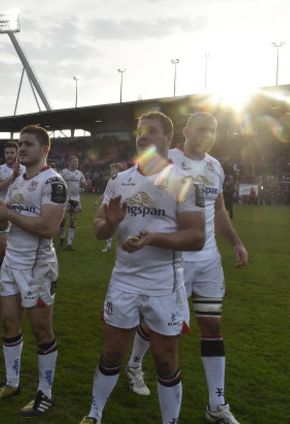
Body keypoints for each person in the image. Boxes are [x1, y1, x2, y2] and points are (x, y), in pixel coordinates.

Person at [79, 111, 206, 424]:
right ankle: (94, 414)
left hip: (165, 285)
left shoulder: (184, 182)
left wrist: (154, 239)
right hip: (123, 281)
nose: (143, 136)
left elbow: (197, 237)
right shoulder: (120, 180)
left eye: (151, 130)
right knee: (112, 353)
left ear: (168, 140)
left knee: (165, 360)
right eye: (139, 131)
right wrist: (109, 223)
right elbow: (99, 230)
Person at [123, 112, 248, 424]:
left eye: (214, 130)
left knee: (212, 327)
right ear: (186, 131)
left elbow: (218, 211)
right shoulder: (168, 160)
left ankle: (216, 405)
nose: (209, 134)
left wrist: (235, 241)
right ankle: (135, 365)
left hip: (208, 261)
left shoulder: (215, 166)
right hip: (173, 259)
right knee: (158, 326)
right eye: (203, 128)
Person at [0, 125, 68, 418]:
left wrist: (9, 214)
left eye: (28, 144)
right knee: (9, 323)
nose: (21, 149)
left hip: (38, 266)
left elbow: (47, 228)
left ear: (45, 150)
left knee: (41, 329)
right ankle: (12, 382)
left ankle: (45, 392)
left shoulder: (54, 183)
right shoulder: (18, 179)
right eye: (20, 144)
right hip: (12, 261)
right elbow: (10, 221)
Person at [0, 141, 25, 286]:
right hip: (3, 212)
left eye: (12, 153)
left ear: (17, 153)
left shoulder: (25, 169)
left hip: (21, 212)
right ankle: (0, 277)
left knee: (19, 250)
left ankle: (16, 279)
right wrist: (12, 177)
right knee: (3, 249)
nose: (9, 156)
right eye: (7, 153)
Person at [93, 162, 125, 253]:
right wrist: (98, 201)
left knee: (116, 225)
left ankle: (119, 246)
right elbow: (106, 193)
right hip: (110, 204)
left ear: (118, 170)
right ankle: (109, 246)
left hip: (116, 205)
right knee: (110, 224)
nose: (111, 171)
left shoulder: (123, 180)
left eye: (113, 169)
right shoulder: (112, 180)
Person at [59, 155, 89, 250]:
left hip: (76, 199)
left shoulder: (79, 174)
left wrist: (87, 184)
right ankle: (62, 235)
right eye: (75, 161)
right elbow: (58, 184)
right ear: (70, 162)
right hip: (65, 198)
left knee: (73, 220)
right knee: (63, 218)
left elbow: (84, 186)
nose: (77, 163)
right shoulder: (63, 172)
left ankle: (69, 244)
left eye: (77, 161)